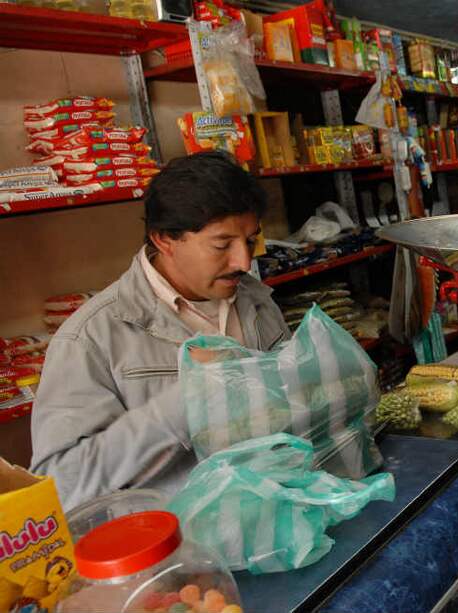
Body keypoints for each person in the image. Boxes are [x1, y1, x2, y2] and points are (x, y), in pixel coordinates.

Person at [30, 152, 291, 510]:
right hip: (184, 539)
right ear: (164, 239)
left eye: (249, 241)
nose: (243, 262)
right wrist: (185, 403)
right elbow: (61, 484)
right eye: (222, 245)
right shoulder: (91, 338)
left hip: (282, 512)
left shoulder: (256, 300)